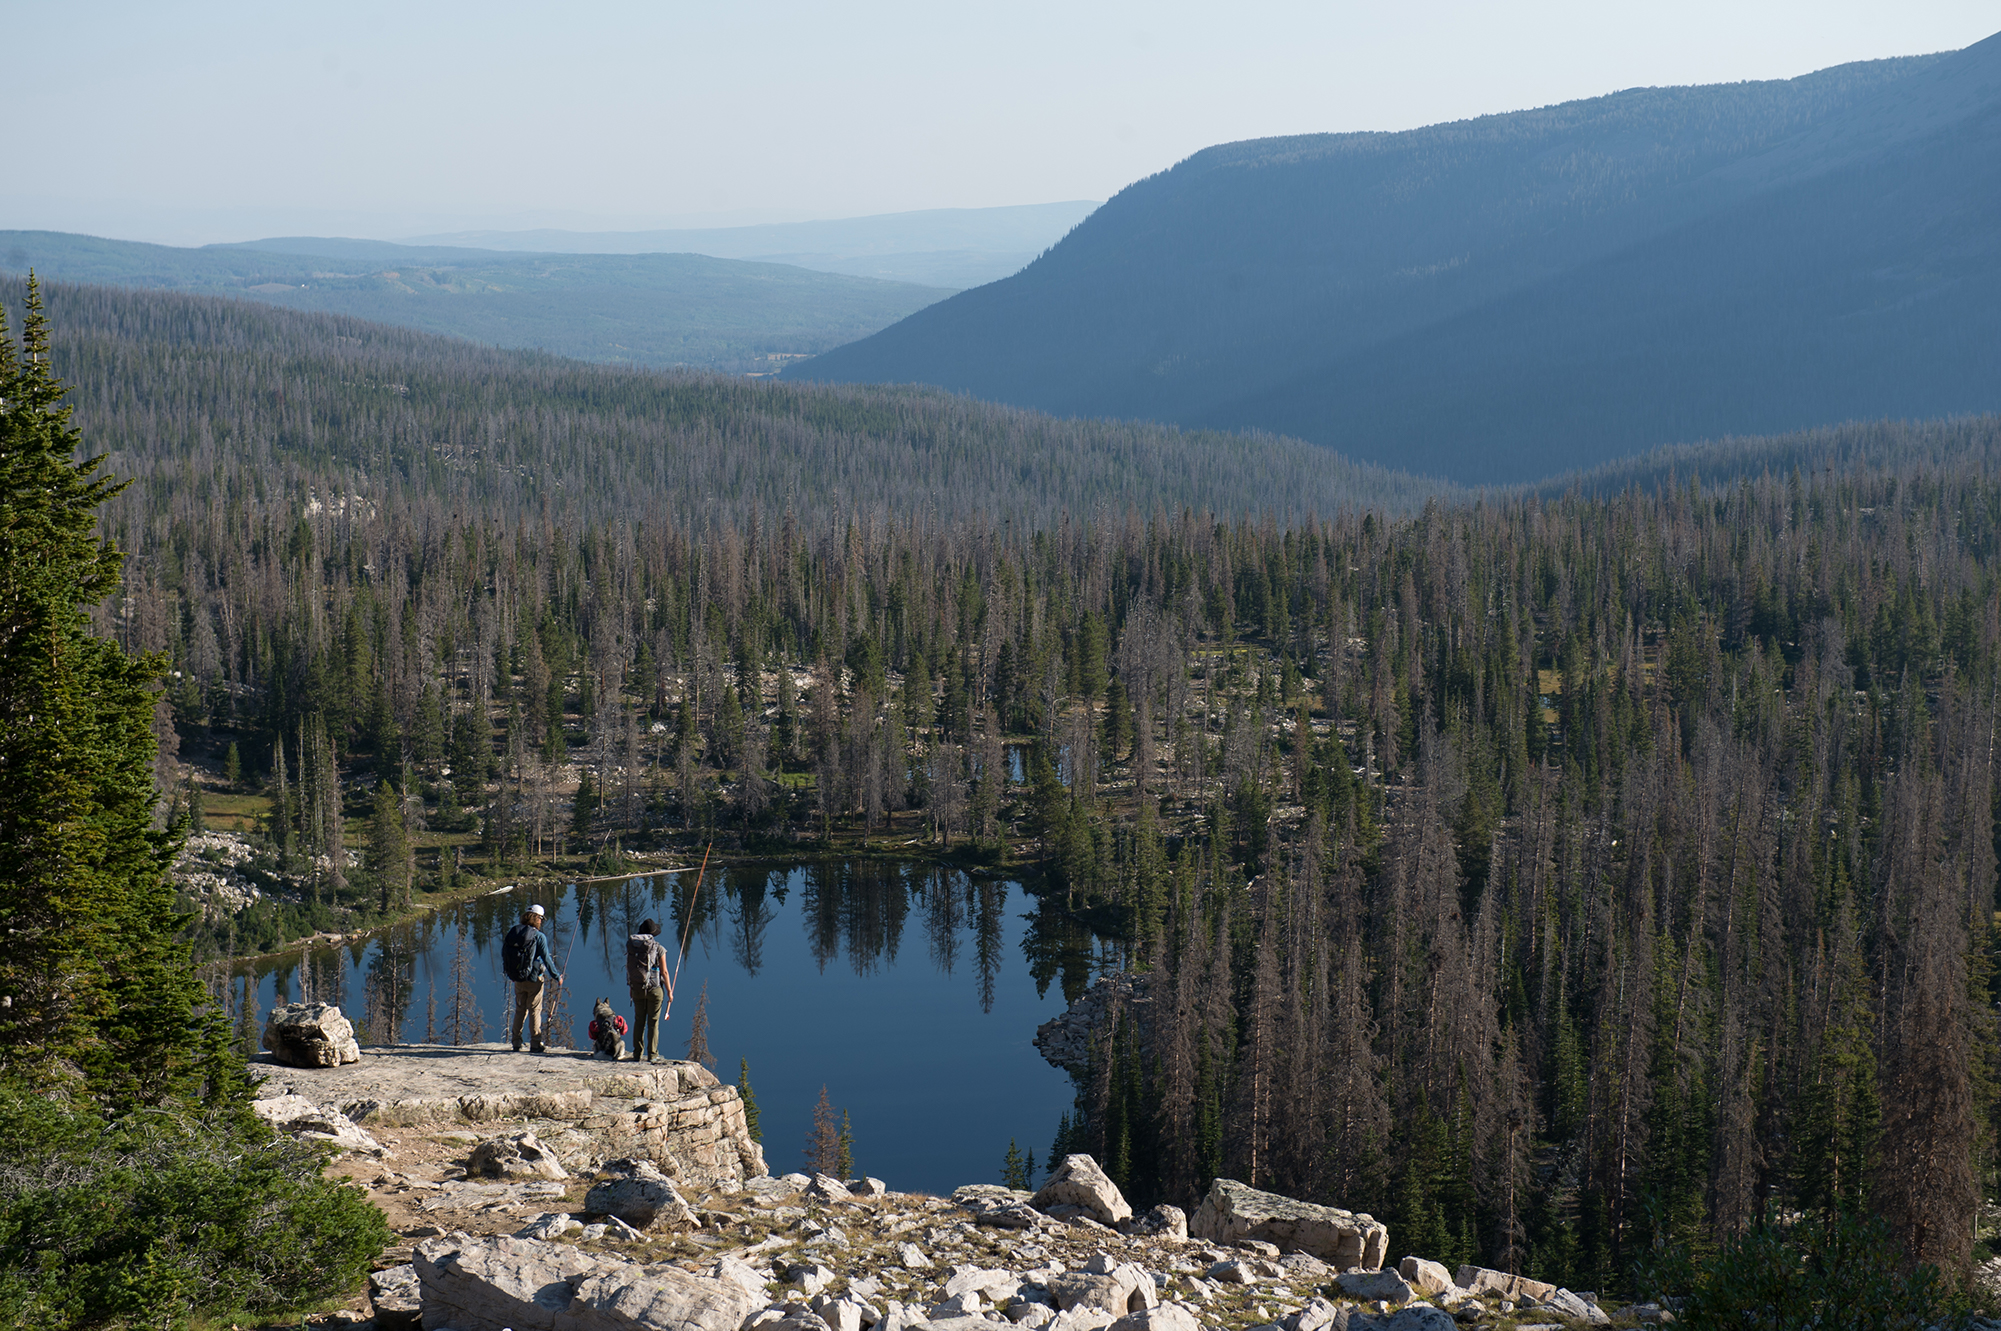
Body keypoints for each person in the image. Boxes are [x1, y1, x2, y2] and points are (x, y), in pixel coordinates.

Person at [503, 903, 564, 1053]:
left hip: (518, 978)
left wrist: (511, 974)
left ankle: (516, 1042)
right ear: (536, 918)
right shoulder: (539, 936)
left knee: (519, 1010)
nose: (541, 921)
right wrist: (557, 976)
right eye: (541, 918)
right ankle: (535, 1043)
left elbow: (505, 955)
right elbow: (547, 959)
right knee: (534, 1010)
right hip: (534, 979)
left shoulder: (515, 932)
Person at [626, 918, 673, 1065]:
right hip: (654, 989)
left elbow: (630, 968)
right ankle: (652, 1055)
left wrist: (631, 987)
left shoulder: (633, 947)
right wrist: (670, 992)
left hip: (637, 988)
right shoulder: (658, 948)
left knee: (639, 1020)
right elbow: (664, 972)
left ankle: (637, 1054)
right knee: (653, 1022)